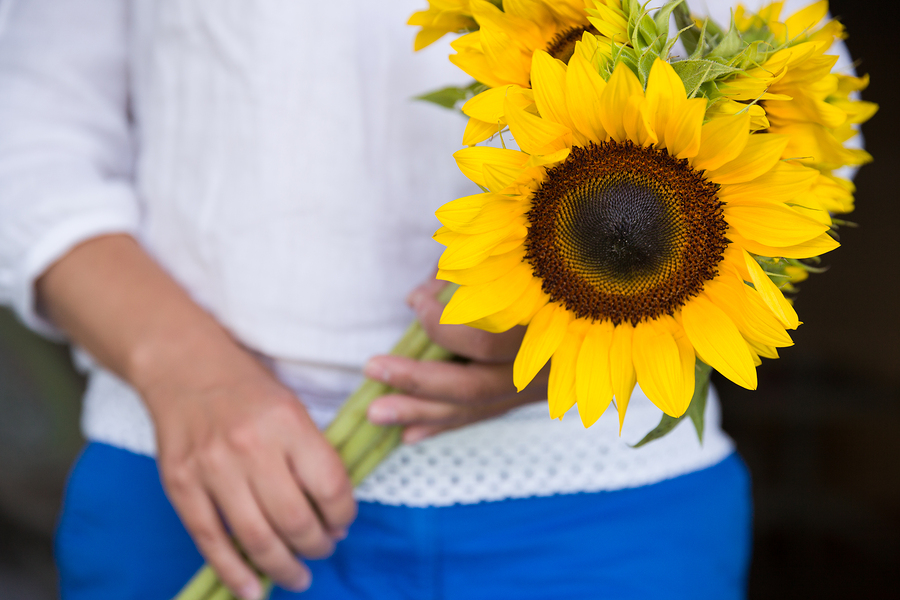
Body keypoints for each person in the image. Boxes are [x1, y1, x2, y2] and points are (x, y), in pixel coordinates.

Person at [0, 1, 754, 598]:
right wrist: (187, 373)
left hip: (604, 499)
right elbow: (31, 129)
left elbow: (795, 125)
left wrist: (584, 335)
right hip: (196, 480)